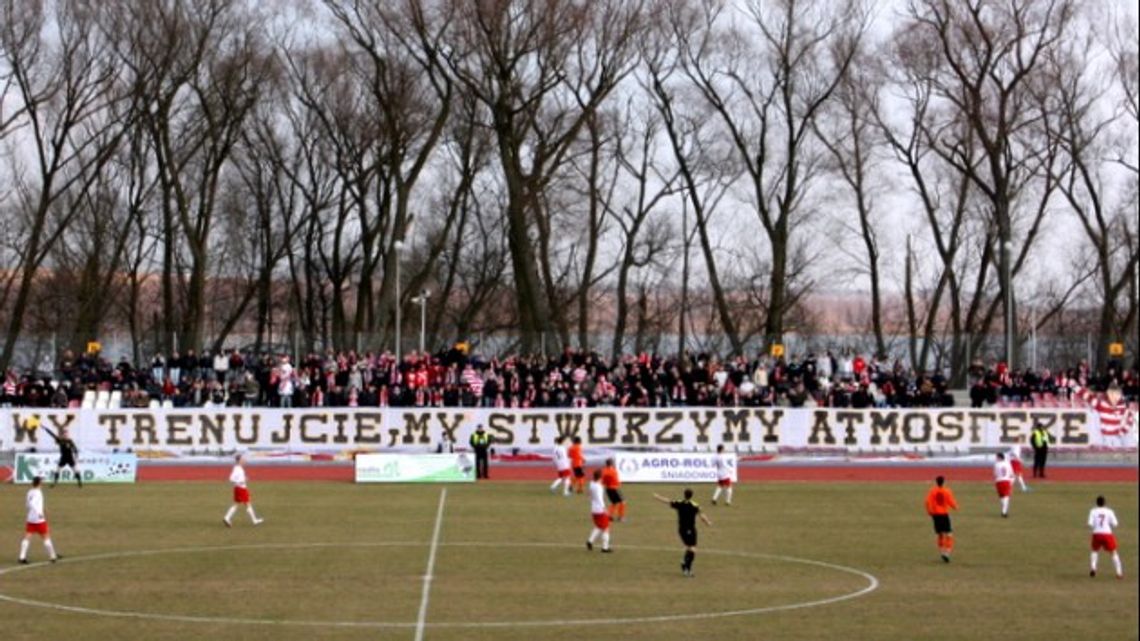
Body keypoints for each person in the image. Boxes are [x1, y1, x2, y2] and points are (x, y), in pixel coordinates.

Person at [653, 488, 712, 577]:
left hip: (681, 529)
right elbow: (702, 515)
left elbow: (668, 501)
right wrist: (708, 522)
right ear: (692, 495)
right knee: (692, 549)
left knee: (689, 547)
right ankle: (687, 569)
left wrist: (658, 497)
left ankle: (684, 563)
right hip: (690, 529)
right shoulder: (695, 505)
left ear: (684, 495)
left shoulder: (679, 503)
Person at [19, 476, 60, 564]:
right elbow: (32, 503)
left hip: (30, 518)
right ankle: (53, 556)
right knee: (46, 536)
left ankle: (22, 557)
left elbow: (27, 504)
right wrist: (39, 513)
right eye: (42, 481)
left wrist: (42, 509)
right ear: (39, 483)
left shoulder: (30, 491)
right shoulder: (38, 492)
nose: (43, 482)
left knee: (27, 536)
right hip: (38, 519)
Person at [1088, 495, 1123, 579]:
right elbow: (1115, 524)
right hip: (1107, 534)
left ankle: (1093, 567)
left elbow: (1090, 524)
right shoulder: (1109, 511)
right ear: (1105, 503)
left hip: (1096, 533)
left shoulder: (1093, 511)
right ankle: (1119, 572)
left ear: (1096, 503)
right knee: (1113, 552)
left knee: (1094, 551)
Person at [223, 454, 264, 527]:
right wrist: (242, 481)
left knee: (236, 504)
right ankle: (254, 520)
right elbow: (231, 479)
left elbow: (233, 479)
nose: (244, 460)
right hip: (241, 488)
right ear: (239, 461)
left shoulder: (237, 468)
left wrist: (242, 479)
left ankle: (227, 517)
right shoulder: (237, 469)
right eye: (242, 459)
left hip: (237, 488)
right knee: (247, 503)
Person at [924, 475, 959, 562]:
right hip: (944, 514)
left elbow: (927, 502)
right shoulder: (947, 491)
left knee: (940, 534)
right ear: (944, 482)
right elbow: (950, 501)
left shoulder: (932, 491)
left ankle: (942, 552)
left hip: (935, 515)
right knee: (949, 534)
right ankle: (947, 553)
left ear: (936, 482)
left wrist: (929, 511)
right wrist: (955, 507)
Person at [586, 469, 613, 553]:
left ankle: (590, 541)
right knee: (606, 528)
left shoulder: (591, 484)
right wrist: (605, 510)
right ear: (600, 477)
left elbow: (589, 494)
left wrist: (591, 500)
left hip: (593, 509)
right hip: (600, 510)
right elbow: (600, 499)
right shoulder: (599, 487)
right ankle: (605, 548)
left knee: (599, 526)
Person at [993, 452, 1014, 518]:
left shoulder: (996, 465)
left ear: (1000, 457)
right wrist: (1011, 481)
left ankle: (1004, 511)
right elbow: (1011, 473)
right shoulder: (1008, 463)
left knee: (1002, 496)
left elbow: (995, 474)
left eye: (996, 457)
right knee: (1006, 496)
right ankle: (1004, 511)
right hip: (1006, 481)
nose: (996, 458)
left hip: (998, 481)